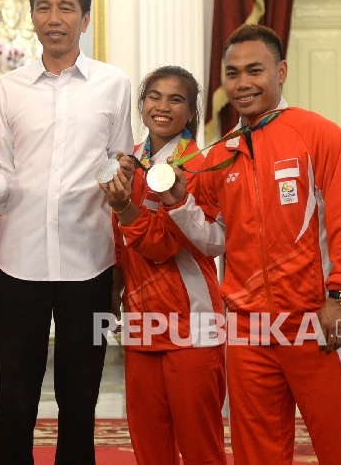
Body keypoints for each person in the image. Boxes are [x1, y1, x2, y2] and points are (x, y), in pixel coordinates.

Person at [163, 24, 341, 464]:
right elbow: (212, 239)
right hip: (248, 330)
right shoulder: (220, 154)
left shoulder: (318, 135)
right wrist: (178, 201)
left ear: (280, 71)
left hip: (315, 320)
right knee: (257, 453)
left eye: (254, 70)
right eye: (233, 73)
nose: (243, 83)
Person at [0, 0, 133, 465]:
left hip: (91, 261)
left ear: (84, 18)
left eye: (65, 8)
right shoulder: (11, 89)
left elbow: (119, 160)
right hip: (20, 263)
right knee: (15, 395)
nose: (54, 18)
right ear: (32, 16)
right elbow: (5, 173)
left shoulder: (113, 85)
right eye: (43, 7)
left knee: (80, 396)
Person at [100, 66, 226, 464]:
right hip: (142, 321)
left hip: (193, 323)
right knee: (149, 445)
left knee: (199, 445)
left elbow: (161, 246)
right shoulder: (130, 161)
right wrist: (114, 294)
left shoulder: (199, 166)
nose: (162, 106)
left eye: (176, 99)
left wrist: (123, 208)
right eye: (154, 96)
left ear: (191, 113)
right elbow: (119, 241)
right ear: (142, 105)